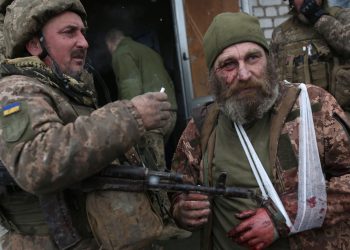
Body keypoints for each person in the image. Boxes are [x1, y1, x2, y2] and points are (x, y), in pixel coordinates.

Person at [0, 0, 174, 249]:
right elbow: (36, 162)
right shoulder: (17, 90)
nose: (83, 42)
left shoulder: (68, 89)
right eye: (69, 32)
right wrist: (131, 115)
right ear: (35, 44)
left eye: (83, 32)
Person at [169, 12, 350, 250]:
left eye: (252, 58)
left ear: (270, 60)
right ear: (213, 75)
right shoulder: (202, 126)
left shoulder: (313, 106)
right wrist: (181, 210)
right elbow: (177, 190)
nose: (244, 75)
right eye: (228, 64)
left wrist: (284, 215)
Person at [105, 29, 178, 171]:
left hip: (151, 117)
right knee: (159, 164)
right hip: (169, 112)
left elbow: (130, 86)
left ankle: (160, 193)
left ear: (110, 43)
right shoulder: (148, 51)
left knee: (152, 170)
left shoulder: (122, 52)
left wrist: (129, 118)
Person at [270, 0, 350, 119]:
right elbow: (274, 81)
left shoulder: (341, 17)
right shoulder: (281, 33)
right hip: (301, 121)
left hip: (341, 118)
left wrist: (319, 17)